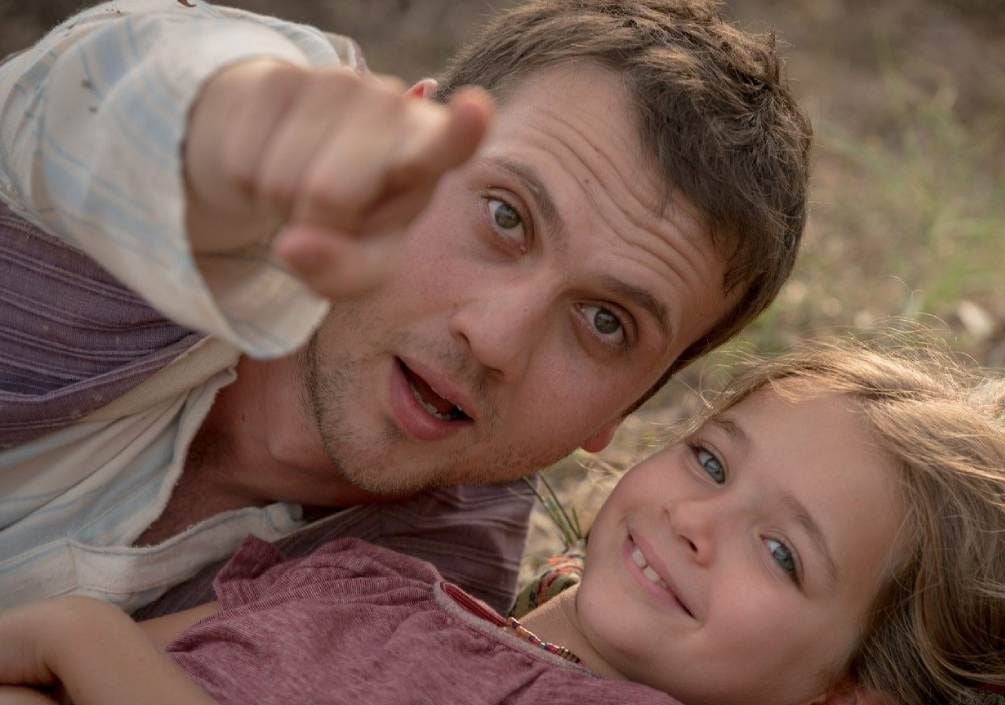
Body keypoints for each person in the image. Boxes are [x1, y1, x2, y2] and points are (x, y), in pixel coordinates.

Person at [0, 0, 811, 614]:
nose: (494, 338)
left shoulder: (436, 586)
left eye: (606, 324)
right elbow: (120, 90)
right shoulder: (223, 128)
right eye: (506, 217)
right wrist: (226, 139)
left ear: (621, 413)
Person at [0, 342, 1005, 705]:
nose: (696, 521)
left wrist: (79, 638)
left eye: (782, 552)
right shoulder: (366, 578)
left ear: (839, 701)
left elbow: (77, 656)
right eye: (710, 461)